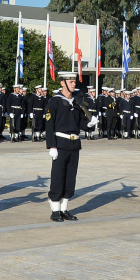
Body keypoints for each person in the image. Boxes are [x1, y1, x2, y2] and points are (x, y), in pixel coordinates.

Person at [45, 70, 96, 221]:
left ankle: (64, 209)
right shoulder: (54, 101)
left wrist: (90, 125)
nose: (74, 84)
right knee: (58, 176)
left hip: (74, 144)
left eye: (74, 82)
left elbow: (79, 122)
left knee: (70, 178)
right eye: (71, 81)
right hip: (60, 144)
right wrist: (51, 146)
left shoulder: (77, 102)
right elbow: (49, 125)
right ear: (63, 83)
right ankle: (55, 210)